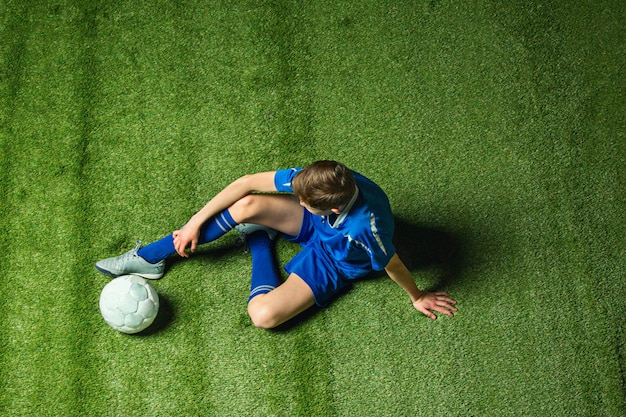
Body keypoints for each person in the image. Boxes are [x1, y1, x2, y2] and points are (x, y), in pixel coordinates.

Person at [95, 160, 457, 328]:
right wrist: (193, 223)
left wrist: (418, 295)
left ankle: (259, 241)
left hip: (336, 260)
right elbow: (247, 182)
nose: (296, 201)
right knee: (249, 204)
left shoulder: (366, 228)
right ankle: (151, 257)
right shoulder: (325, 179)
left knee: (263, 316)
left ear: (333, 206)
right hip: (321, 224)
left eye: (304, 201)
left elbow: (391, 263)